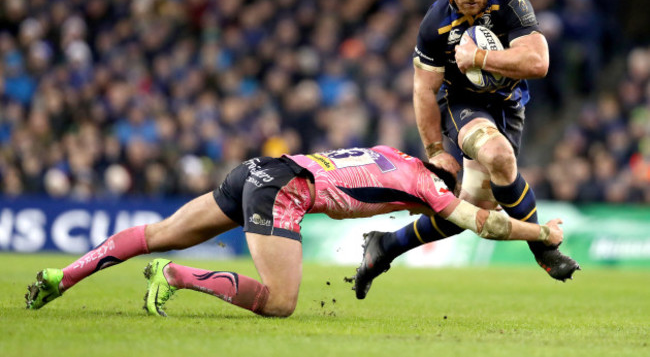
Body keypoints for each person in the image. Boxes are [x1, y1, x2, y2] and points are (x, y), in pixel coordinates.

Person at [26, 145, 564, 317]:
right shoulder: (433, 188)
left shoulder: (392, 153)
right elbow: (484, 225)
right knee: (281, 302)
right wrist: (541, 233)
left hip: (259, 169)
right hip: (285, 192)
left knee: (159, 229)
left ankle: (62, 276)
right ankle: (177, 277)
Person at [354, 0, 580, 300]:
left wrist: (478, 58)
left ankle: (384, 246)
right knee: (499, 156)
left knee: (473, 210)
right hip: (461, 105)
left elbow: (538, 63)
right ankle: (544, 251)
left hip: (509, 106)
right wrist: (435, 150)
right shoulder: (434, 24)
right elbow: (425, 90)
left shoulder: (510, 2)